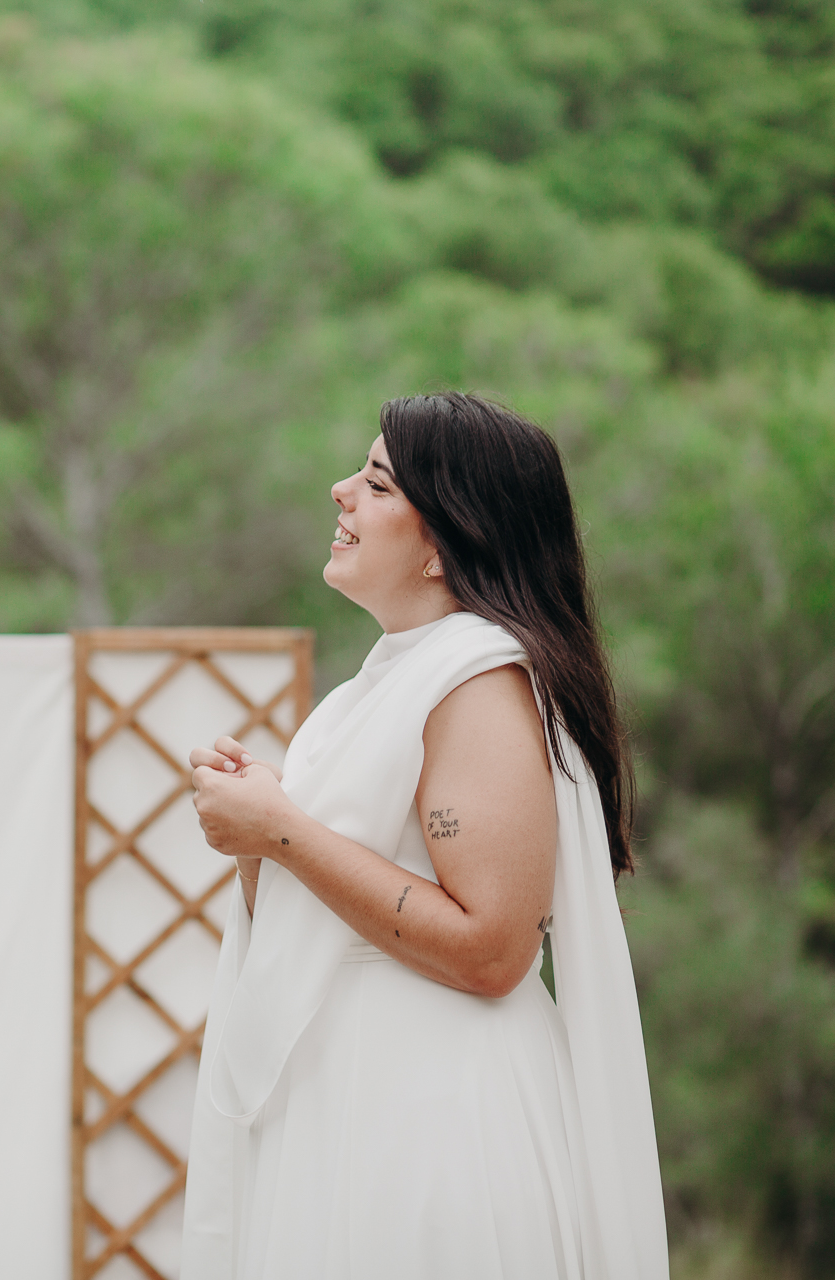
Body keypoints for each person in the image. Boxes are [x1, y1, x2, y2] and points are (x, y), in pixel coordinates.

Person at [180, 393, 667, 1278]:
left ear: (444, 541)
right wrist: (262, 836)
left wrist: (284, 831)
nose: (340, 492)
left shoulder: (479, 680)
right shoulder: (374, 688)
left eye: (374, 482)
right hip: (351, 1102)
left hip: (432, 1119)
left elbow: (491, 948)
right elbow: (330, 909)